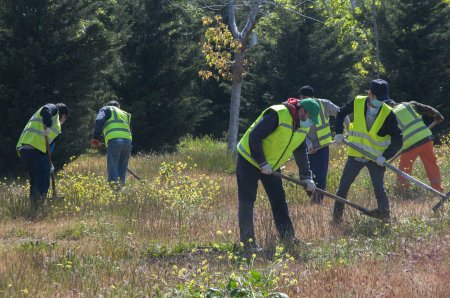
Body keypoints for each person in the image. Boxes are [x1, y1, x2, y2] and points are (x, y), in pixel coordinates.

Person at [236, 97, 320, 250]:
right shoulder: (278, 114)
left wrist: (307, 177)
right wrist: (262, 162)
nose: (310, 122)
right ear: (302, 111)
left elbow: (300, 151)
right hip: (249, 159)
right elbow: (255, 137)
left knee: (279, 200)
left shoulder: (302, 125)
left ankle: (288, 238)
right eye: (309, 117)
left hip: (271, 166)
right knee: (247, 201)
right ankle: (248, 244)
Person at [333, 79, 402, 221]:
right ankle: (336, 218)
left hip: (375, 158)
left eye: (384, 99)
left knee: (379, 189)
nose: (381, 102)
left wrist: (385, 156)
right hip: (355, 154)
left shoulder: (388, 114)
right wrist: (339, 132)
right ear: (370, 94)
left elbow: (398, 139)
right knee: (343, 187)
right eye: (378, 98)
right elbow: (340, 113)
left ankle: (385, 216)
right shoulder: (358, 102)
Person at [16, 103, 69, 212]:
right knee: (43, 181)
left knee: (35, 180)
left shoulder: (57, 128)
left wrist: (50, 164)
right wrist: (48, 125)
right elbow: (46, 109)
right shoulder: (54, 109)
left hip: (27, 151)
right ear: (63, 115)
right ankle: (38, 207)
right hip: (33, 150)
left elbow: (48, 147)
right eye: (65, 118)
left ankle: (33, 207)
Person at [386, 100, 445, 193]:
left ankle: (402, 191)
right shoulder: (408, 105)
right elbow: (427, 109)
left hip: (409, 145)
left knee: (404, 169)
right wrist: (437, 115)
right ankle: (438, 190)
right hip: (425, 139)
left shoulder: (388, 116)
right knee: (431, 165)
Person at [299, 85, 340, 204]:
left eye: (305, 97)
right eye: (301, 97)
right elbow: (298, 131)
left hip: (322, 148)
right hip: (307, 149)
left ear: (312, 98)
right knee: (307, 177)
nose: (302, 100)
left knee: (320, 176)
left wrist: (343, 132)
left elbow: (341, 113)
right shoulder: (299, 110)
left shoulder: (325, 104)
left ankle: (317, 201)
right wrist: (307, 144)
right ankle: (312, 198)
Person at [91, 100, 132, 189]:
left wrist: (96, 138)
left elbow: (99, 120)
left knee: (113, 166)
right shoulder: (125, 114)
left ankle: (114, 191)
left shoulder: (106, 109)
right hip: (128, 142)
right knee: (122, 168)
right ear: (119, 107)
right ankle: (120, 190)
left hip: (115, 141)